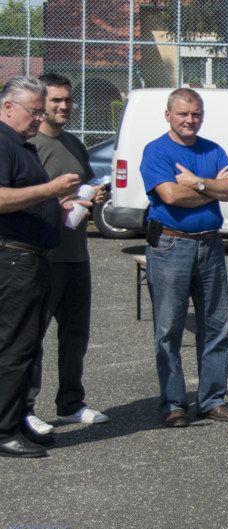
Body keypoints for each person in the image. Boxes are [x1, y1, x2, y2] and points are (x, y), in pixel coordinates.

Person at [141, 88, 228, 428]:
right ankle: (173, 403)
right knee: (168, 328)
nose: (190, 120)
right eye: (183, 114)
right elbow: (171, 195)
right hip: (171, 244)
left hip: (210, 244)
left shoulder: (212, 149)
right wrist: (214, 188)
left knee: (215, 324)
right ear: (168, 115)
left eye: (196, 114)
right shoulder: (156, 151)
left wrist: (197, 182)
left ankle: (212, 400)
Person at [22, 74, 109, 439]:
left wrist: (94, 196)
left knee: (75, 335)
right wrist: (56, 200)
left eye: (68, 100)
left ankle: (70, 404)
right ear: (40, 103)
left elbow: (84, 184)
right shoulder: (29, 145)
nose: (63, 106)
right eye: (56, 100)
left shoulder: (74, 143)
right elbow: (23, 198)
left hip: (76, 255)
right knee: (30, 338)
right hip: (42, 256)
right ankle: (24, 409)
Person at [0, 76, 81, 458]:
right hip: (14, 259)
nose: (39, 117)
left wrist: (57, 205)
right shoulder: (3, 143)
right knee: (14, 348)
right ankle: (4, 430)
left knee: (28, 348)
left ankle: (17, 420)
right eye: (33, 111)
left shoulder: (21, 145)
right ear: (7, 107)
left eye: (39, 111)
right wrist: (50, 191)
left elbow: (24, 198)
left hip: (33, 258)